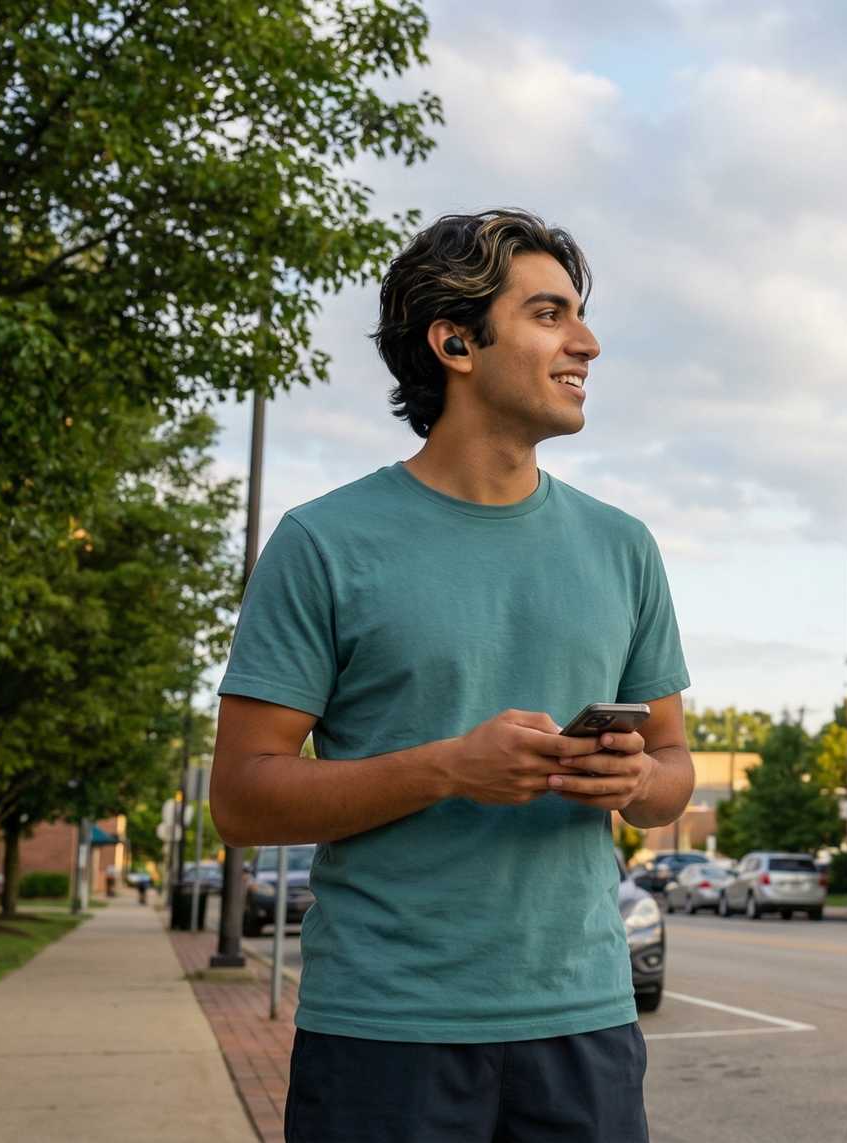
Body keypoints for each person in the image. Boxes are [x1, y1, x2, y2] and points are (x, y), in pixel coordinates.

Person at [210, 210, 693, 1143]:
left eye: (580, 317)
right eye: (550, 315)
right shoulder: (325, 543)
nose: (586, 343)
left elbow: (673, 767)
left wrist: (634, 780)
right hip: (384, 1034)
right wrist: (447, 768)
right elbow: (242, 796)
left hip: (584, 1022)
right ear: (456, 341)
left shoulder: (623, 547)